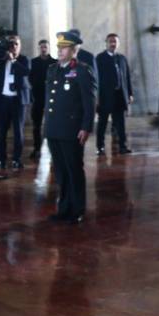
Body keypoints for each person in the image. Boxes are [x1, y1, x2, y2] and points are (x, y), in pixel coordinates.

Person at [44, 31, 95, 224]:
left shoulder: (82, 70)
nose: (59, 51)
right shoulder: (53, 70)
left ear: (74, 50)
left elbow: (89, 102)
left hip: (71, 129)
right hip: (54, 129)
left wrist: (86, 127)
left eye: (63, 47)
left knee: (73, 169)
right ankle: (64, 208)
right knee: (60, 171)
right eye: (58, 47)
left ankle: (77, 209)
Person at [0, 33, 30, 170]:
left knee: (18, 131)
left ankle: (16, 159)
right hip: (3, 101)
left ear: (20, 46)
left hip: (18, 101)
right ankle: (1, 159)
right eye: (11, 44)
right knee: (1, 132)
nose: (14, 47)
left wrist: (14, 60)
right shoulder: (1, 59)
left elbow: (25, 72)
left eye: (16, 44)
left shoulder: (24, 59)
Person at [94, 33, 134, 155]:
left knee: (120, 123)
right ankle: (100, 146)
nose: (113, 44)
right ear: (106, 43)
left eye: (115, 42)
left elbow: (127, 77)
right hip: (105, 97)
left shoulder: (122, 58)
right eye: (110, 41)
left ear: (118, 43)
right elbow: (96, 79)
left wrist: (130, 94)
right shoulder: (99, 58)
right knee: (102, 123)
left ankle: (123, 146)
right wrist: (97, 97)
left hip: (119, 96)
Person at [29, 39, 54, 159]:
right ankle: (37, 148)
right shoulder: (33, 62)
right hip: (38, 97)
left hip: (52, 98)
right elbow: (30, 78)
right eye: (41, 47)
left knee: (52, 125)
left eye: (45, 47)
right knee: (36, 125)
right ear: (39, 48)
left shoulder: (55, 62)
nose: (43, 49)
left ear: (49, 48)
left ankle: (52, 148)